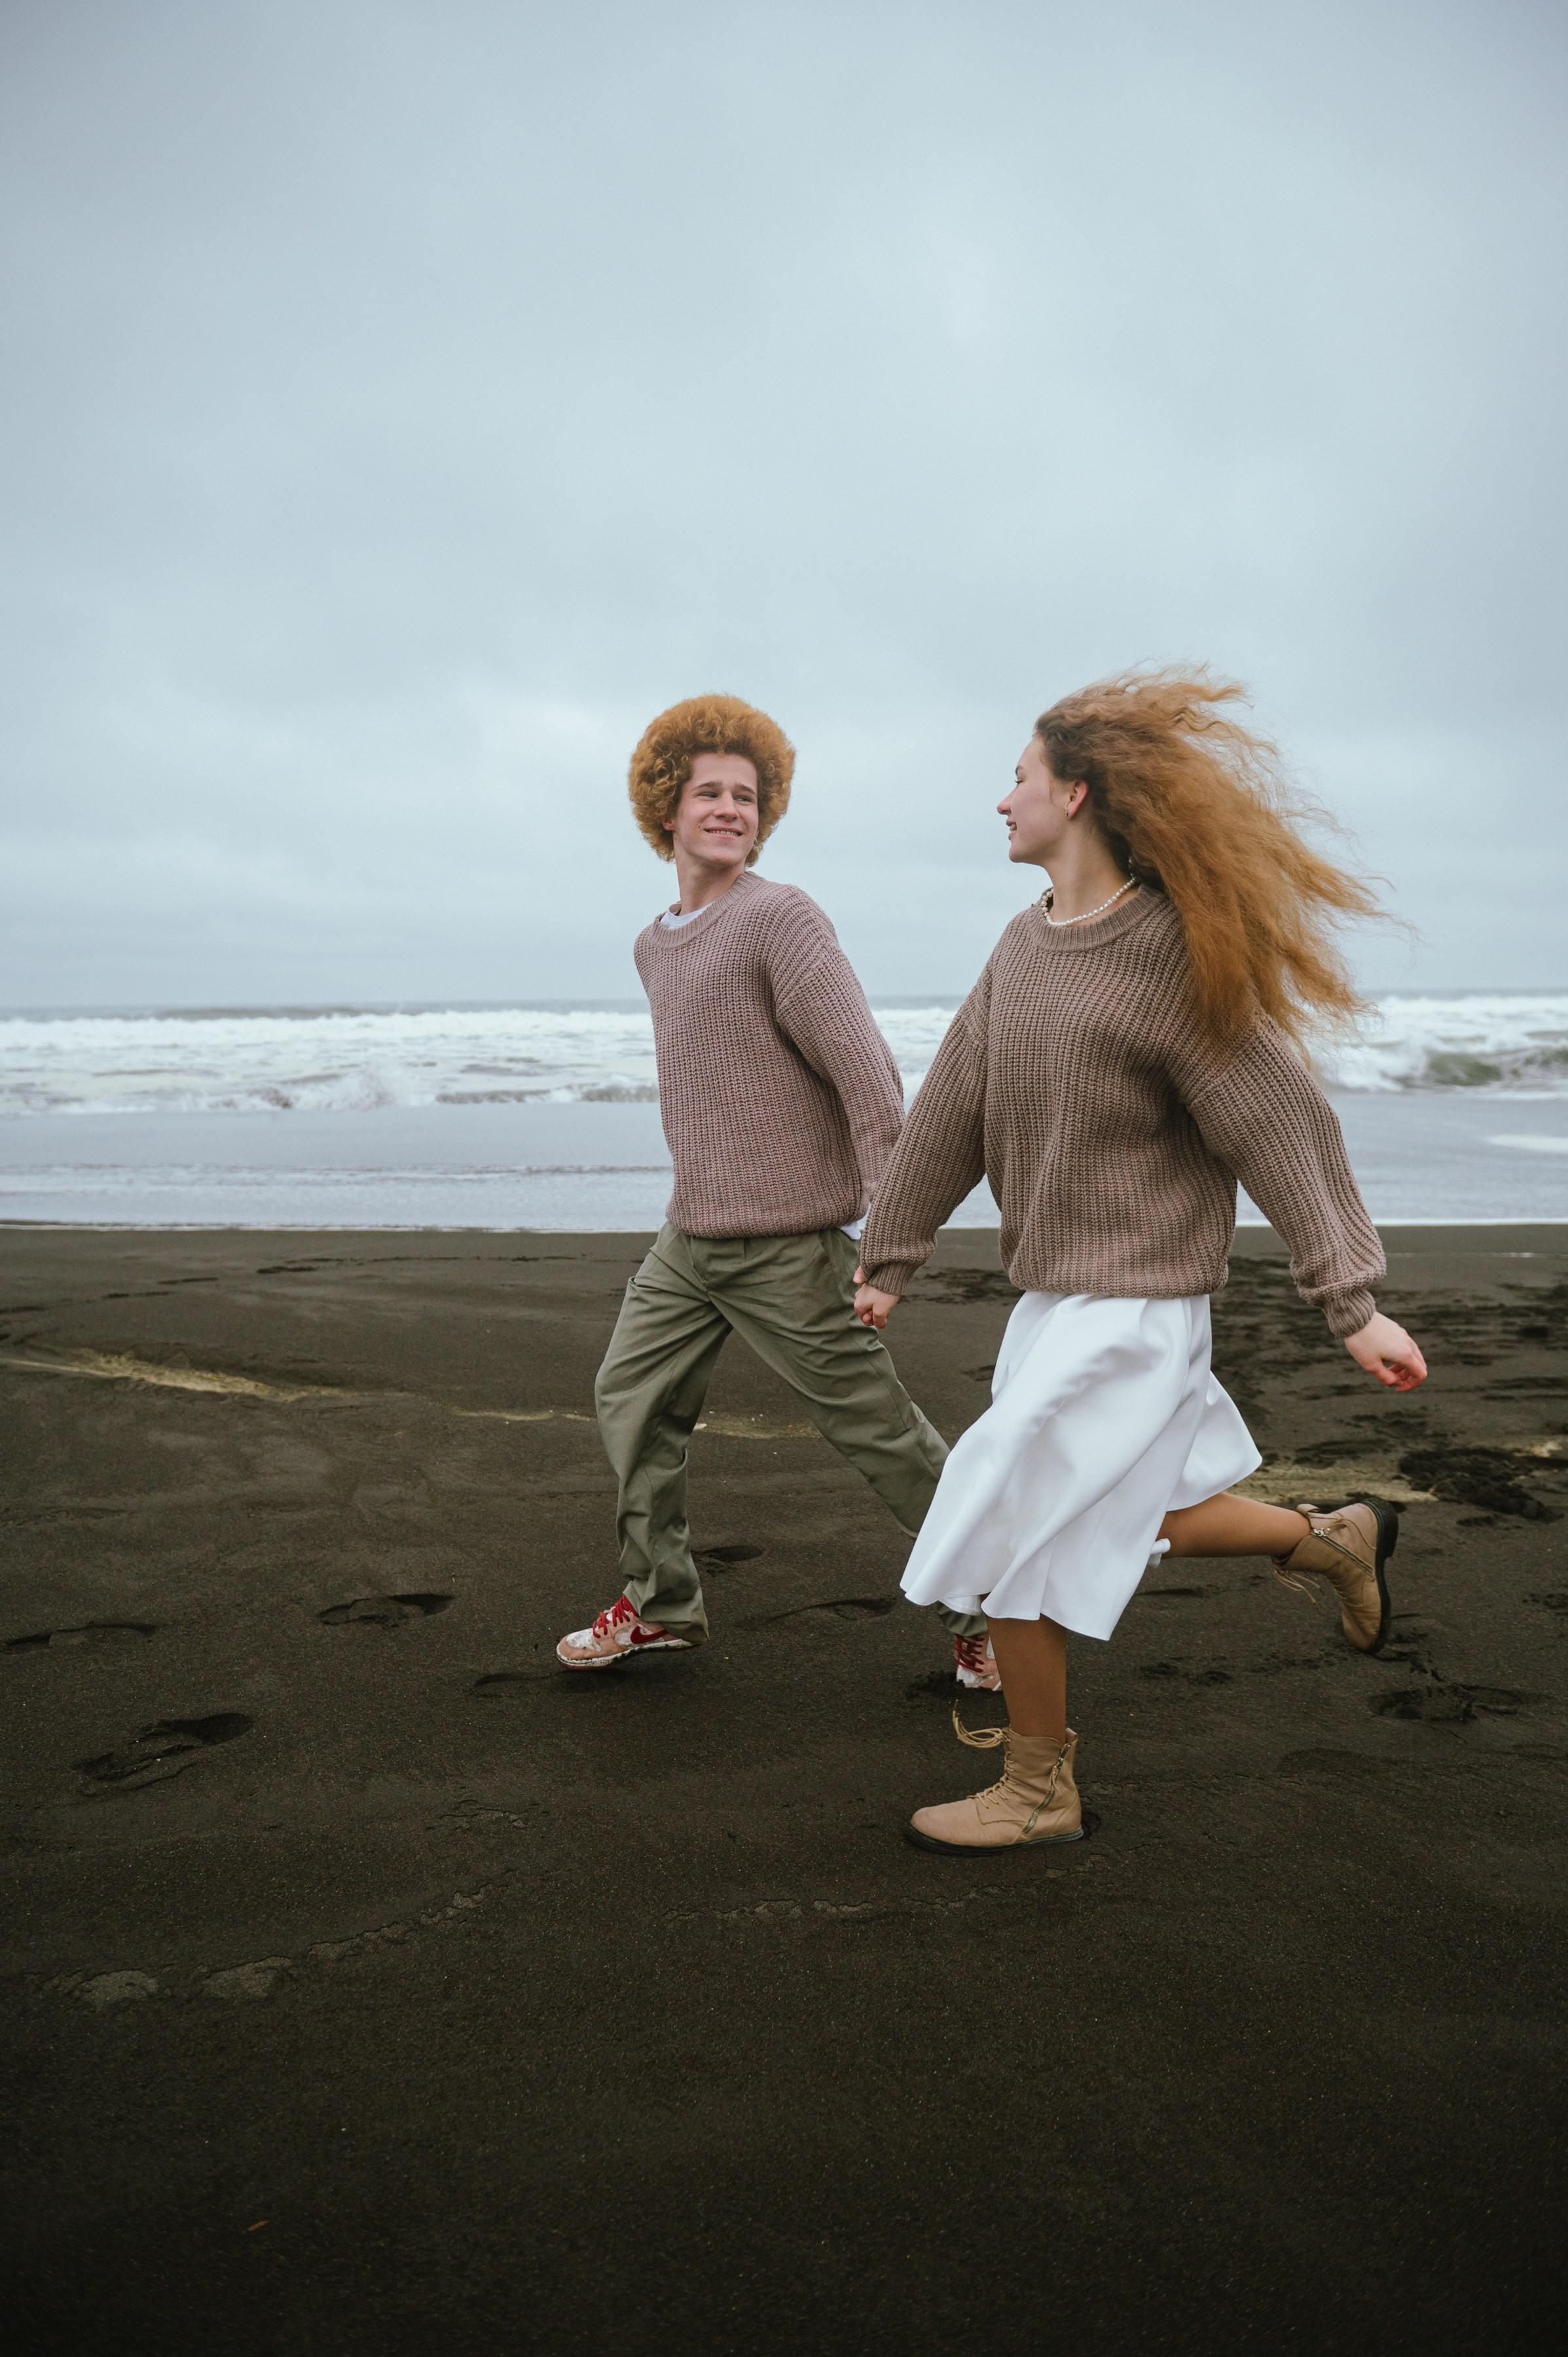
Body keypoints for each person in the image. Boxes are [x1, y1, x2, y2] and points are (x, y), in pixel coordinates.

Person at [853, 670, 1427, 1852]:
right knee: (1143, 1511)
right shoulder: (1023, 946)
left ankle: (1038, 1787)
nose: (1001, 799)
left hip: (1141, 1308)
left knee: (1017, 1522)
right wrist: (889, 1254)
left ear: (1075, 792)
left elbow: (1278, 1123)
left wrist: (1351, 1302)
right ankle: (1330, 1539)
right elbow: (954, 1103)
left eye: (1018, 776)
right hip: (1053, 1299)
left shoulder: (1170, 953)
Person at [557, 692, 994, 1683]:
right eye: (708, 792)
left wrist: (893, 1242)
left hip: (791, 1247)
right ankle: (661, 1604)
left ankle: (989, 1608)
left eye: (747, 796)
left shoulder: (780, 919)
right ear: (665, 807)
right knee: (630, 1400)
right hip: (689, 1241)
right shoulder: (654, 943)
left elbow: (867, 1076)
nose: (729, 809)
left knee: (880, 1435)